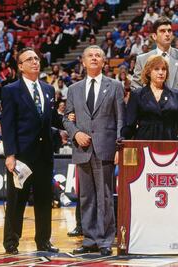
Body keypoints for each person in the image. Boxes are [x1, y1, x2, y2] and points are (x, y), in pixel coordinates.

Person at [63, 45, 124, 256]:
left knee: (105, 197)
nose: (94, 58)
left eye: (98, 55)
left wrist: (119, 147)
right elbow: (66, 117)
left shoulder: (115, 86)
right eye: (90, 55)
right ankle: (89, 240)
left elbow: (120, 120)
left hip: (105, 149)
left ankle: (105, 240)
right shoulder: (73, 89)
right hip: (82, 149)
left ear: (104, 62)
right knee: (86, 197)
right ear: (83, 61)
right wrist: (75, 133)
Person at [1, 47, 59, 255]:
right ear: (20, 66)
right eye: (29, 59)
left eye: (36, 58)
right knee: (17, 201)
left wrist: (69, 120)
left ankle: (43, 241)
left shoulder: (48, 89)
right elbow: (7, 124)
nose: (35, 61)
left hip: (44, 155)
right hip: (22, 157)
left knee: (44, 200)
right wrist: (10, 154)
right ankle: (11, 241)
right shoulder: (11, 90)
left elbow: (51, 118)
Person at [122, 55, 178, 140]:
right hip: (144, 145)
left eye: (164, 69)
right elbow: (130, 125)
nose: (161, 72)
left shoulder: (176, 95)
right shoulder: (137, 94)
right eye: (156, 69)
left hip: (169, 145)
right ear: (148, 72)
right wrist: (123, 138)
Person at [131, 17, 178, 108]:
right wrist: (150, 103)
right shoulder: (142, 59)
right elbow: (135, 87)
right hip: (151, 115)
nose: (167, 34)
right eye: (162, 31)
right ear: (154, 36)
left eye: (169, 31)